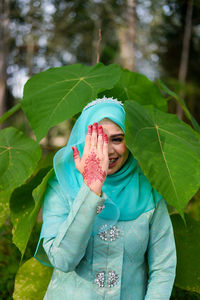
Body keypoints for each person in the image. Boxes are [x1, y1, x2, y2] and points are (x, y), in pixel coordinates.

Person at [35, 96, 177, 300]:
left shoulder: (148, 189)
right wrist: (91, 189)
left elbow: (163, 268)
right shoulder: (61, 186)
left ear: (130, 142)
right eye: (97, 140)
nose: (108, 151)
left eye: (117, 139)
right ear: (83, 141)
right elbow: (63, 260)